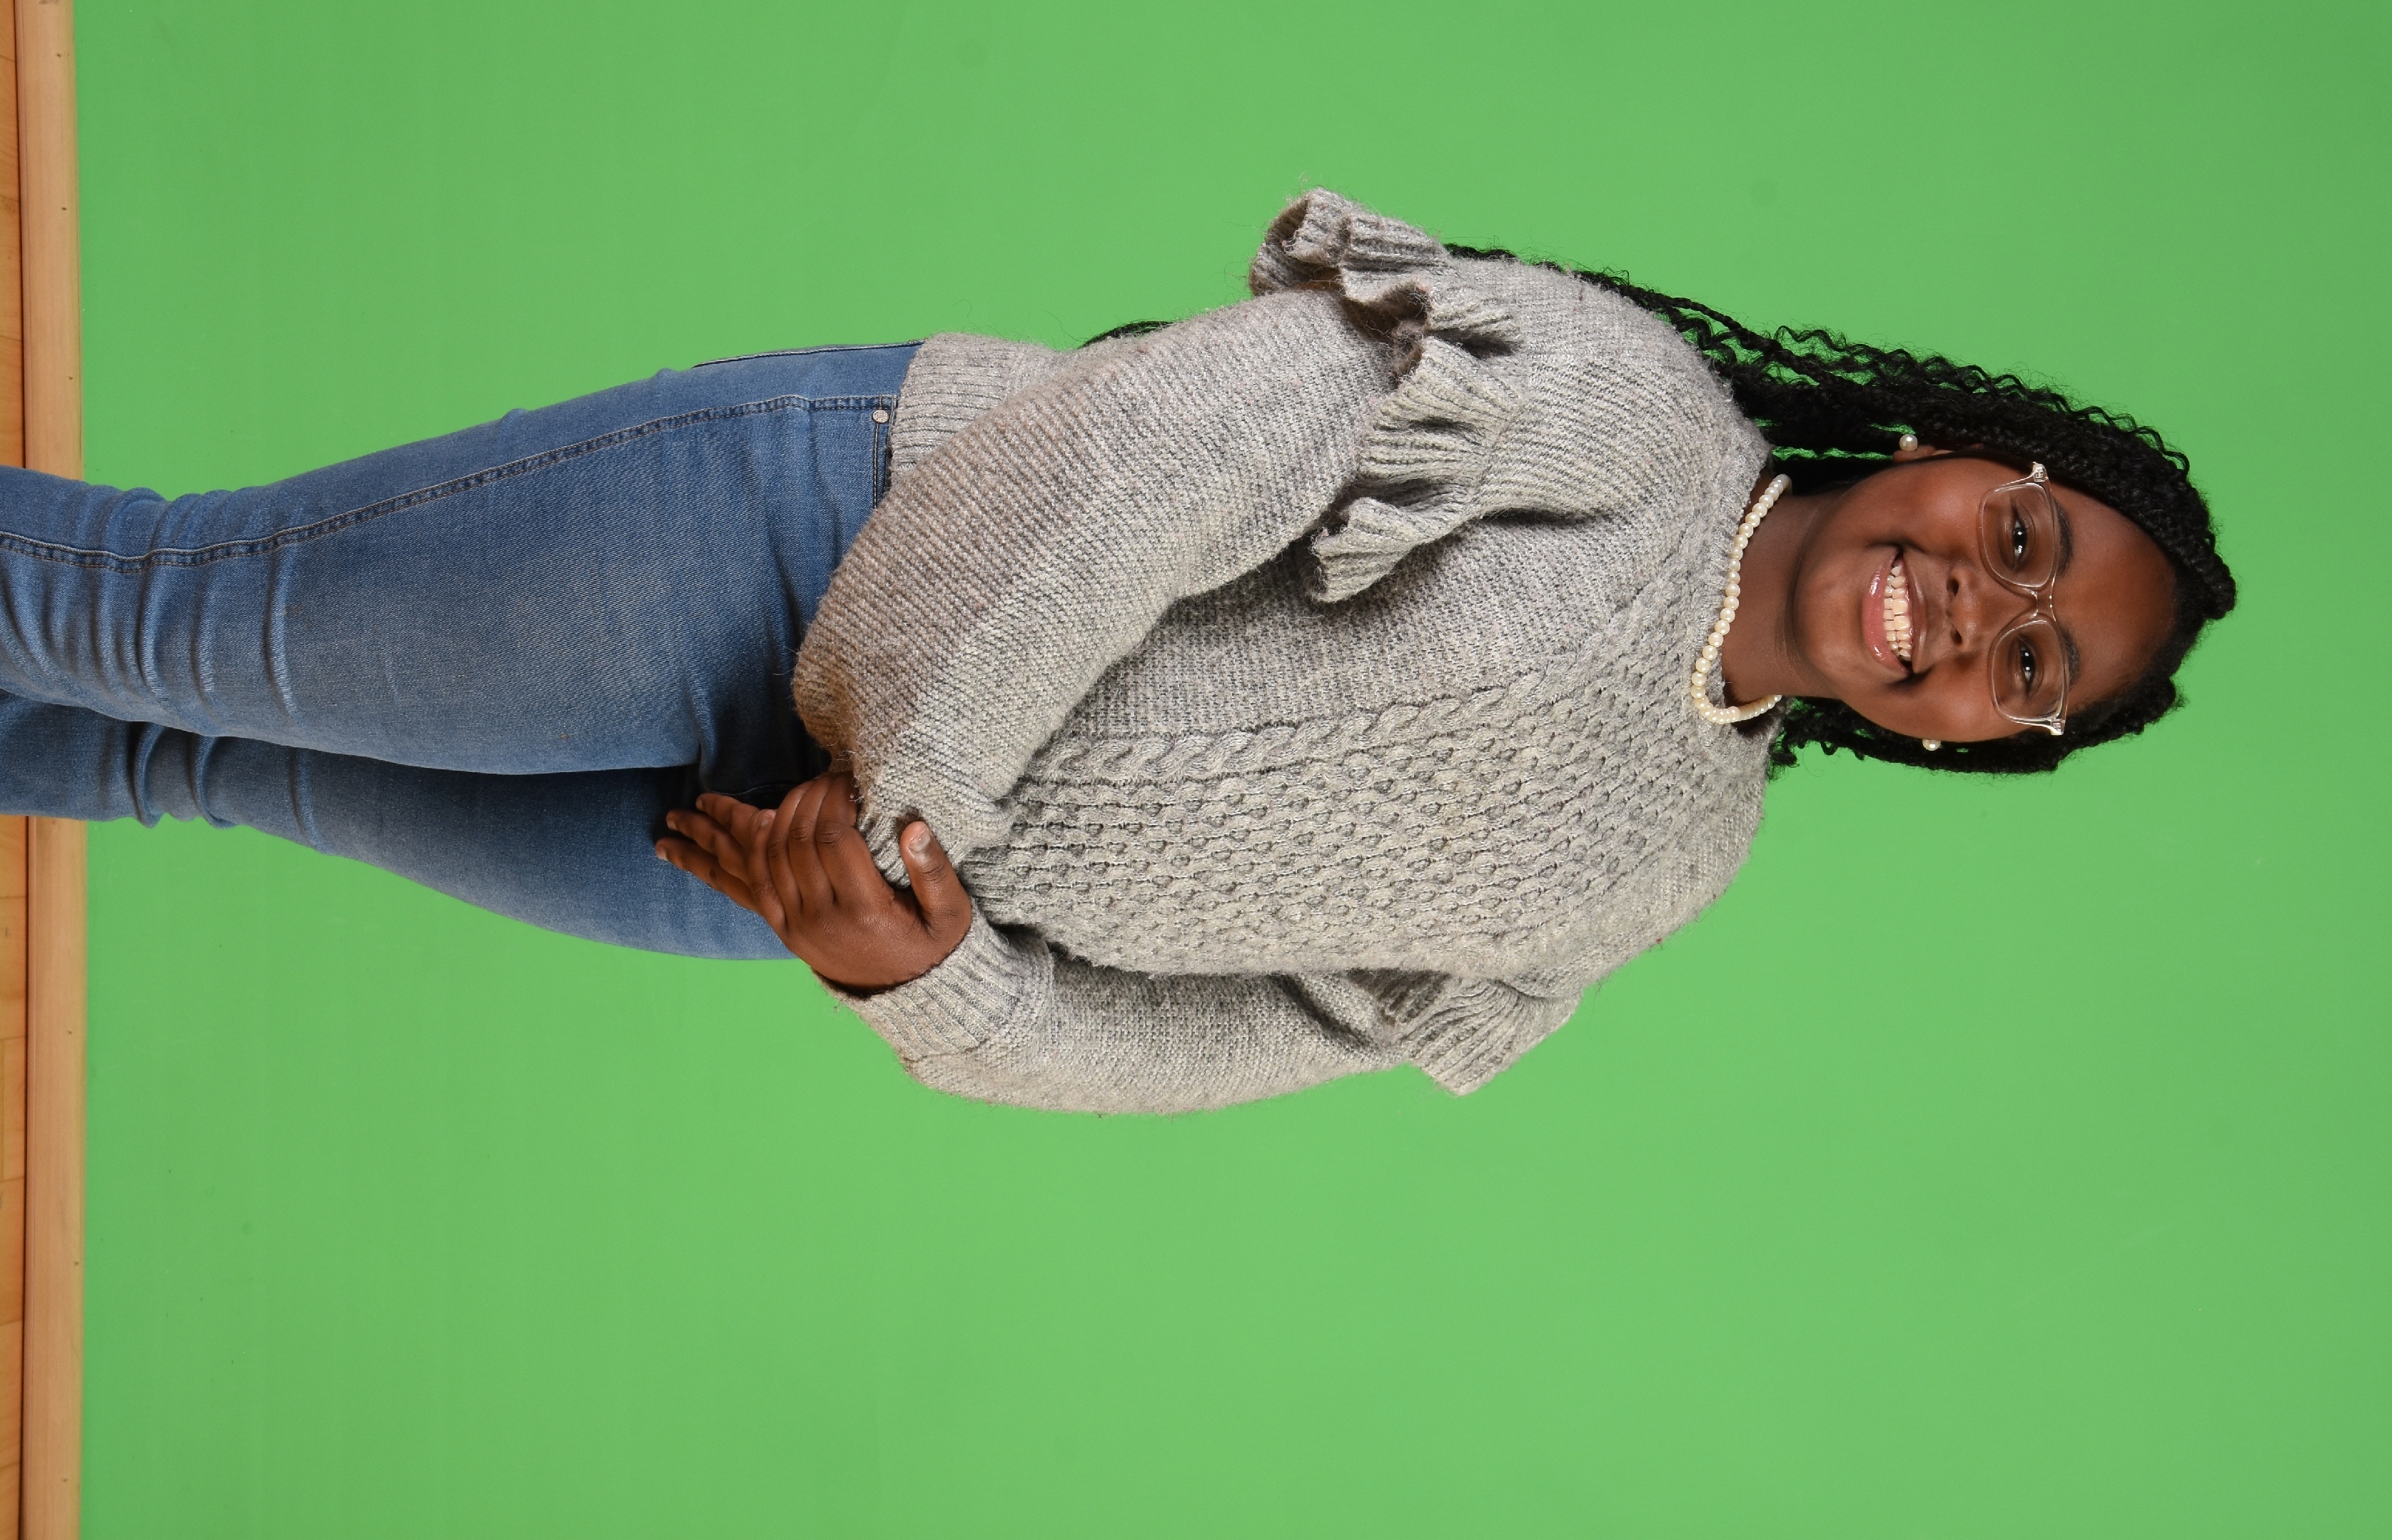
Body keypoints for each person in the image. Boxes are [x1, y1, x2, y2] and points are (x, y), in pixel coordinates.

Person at [0, 191, 2236, 1111]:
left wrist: (921, 975)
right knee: (140, 621)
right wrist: (907, 810)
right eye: (2020, 539)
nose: (1981, 608)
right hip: (793, 554)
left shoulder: (1659, 869)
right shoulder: (1621, 414)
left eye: (2031, 665)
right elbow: (1161, 451)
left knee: (188, 765)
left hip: (806, 875)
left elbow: (1239, 1043)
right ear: (1948, 454)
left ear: (1972, 743)